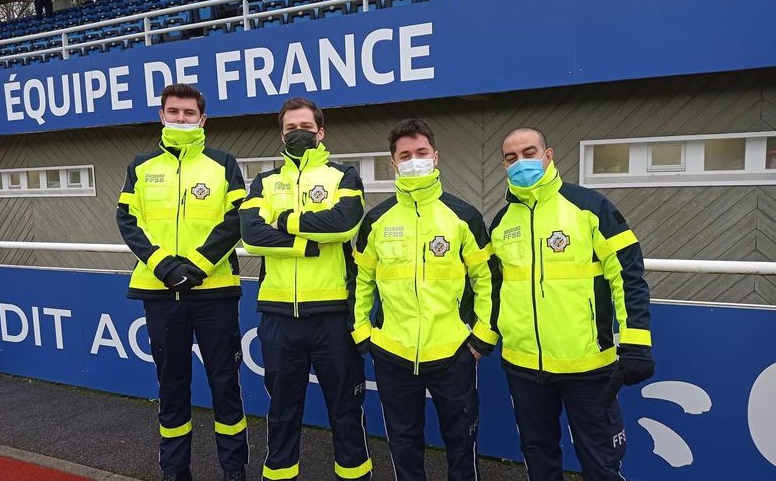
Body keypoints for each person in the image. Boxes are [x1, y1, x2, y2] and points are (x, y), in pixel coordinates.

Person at [489, 127, 655, 481]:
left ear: (548, 155)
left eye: (529, 152)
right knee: (538, 458)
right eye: (511, 157)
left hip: (588, 367)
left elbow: (628, 275)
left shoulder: (590, 207)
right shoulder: (501, 223)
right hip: (523, 366)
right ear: (504, 166)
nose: (521, 162)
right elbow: (495, 287)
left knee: (601, 463)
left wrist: (637, 343)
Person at [351, 118, 501, 481]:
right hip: (393, 354)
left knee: (461, 443)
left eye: (421, 152)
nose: (414, 160)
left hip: (454, 353)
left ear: (436, 157)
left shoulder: (464, 216)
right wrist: (362, 332)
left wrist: (483, 337)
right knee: (404, 444)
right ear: (393, 163)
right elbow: (361, 281)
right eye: (405, 155)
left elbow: (487, 280)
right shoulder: (376, 220)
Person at [116, 83, 249, 481]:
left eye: (189, 113)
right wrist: (165, 267)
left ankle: (234, 470)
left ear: (202, 120)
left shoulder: (223, 164)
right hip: (161, 293)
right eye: (174, 112)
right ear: (162, 115)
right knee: (172, 386)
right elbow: (128, 220)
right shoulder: (141, 167)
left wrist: (198, 266)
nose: (181, 118)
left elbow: (237, 219)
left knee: (225, 384)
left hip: (215, 292)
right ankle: (175, 471)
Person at [239, 97, 372, 481]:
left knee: (346, 412)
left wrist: (283, 220)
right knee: (282, 413)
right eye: (291, 129)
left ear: (321, 132)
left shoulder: (344, 176)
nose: (298, 134)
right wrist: (308, 245)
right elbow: (251, 235)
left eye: (306, 128)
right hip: (279, 316)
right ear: (282, 135)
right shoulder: (264, 182)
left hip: (333, 316)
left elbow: (344, 224)